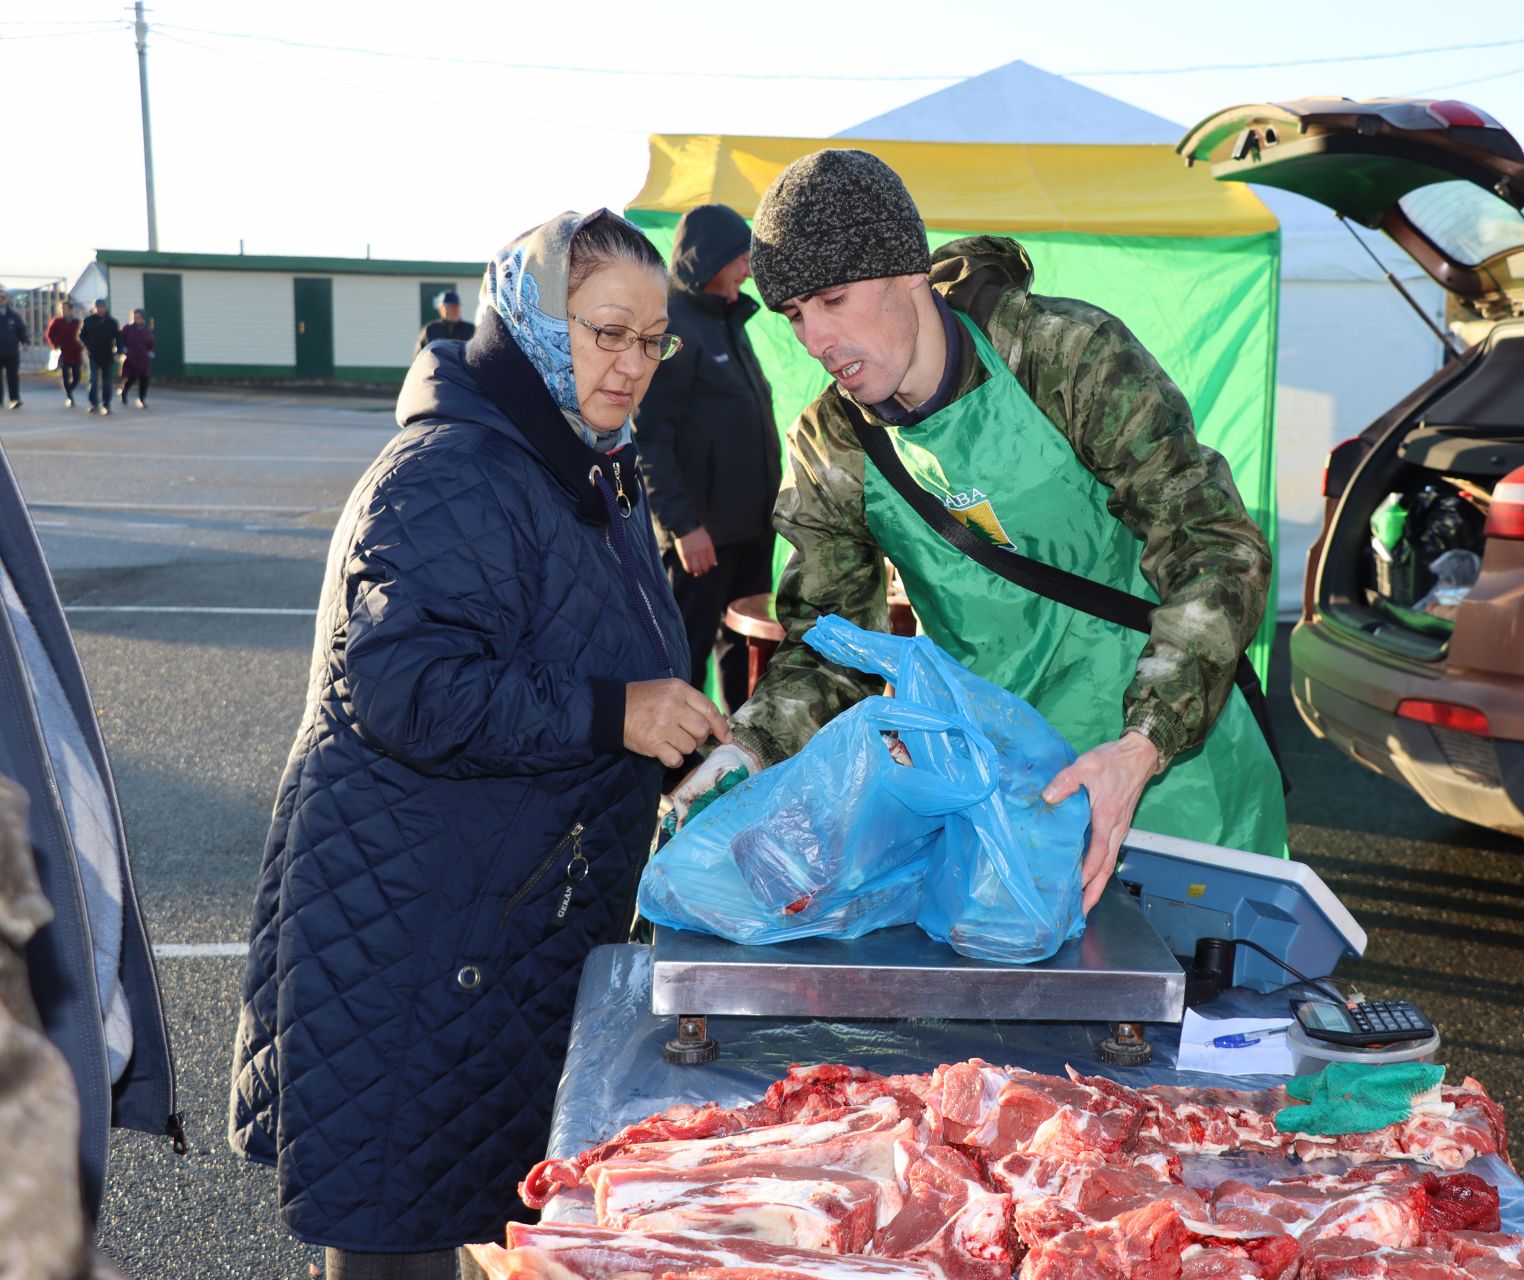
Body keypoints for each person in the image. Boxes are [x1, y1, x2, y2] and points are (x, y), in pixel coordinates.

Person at [230, 209, 719, 1279]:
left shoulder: (585, 459)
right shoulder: (455, 469)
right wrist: (616, 712)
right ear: (537, 321)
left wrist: (675, 730)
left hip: (493, 929)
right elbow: (403, 685)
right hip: (413, 933)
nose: (631, 364)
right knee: (395, 1242)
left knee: (460, 1215)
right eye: (605, 332)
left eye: (651, 340)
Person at [672, 150, 1287, 911]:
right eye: (795, 313)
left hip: (1171, 764)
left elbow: (1213, 546)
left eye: (834, 299)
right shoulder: (831, 444)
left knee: (1210, 1009)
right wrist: (748, 744)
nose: (816, 339)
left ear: (907, 271)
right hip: (1005, 796)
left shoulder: (1064, 357)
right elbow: (829, 649)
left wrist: (1145, 743)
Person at [634, 204, 780, 719]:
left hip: (750, 531)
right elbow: (649, 437)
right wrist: (683, 526)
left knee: (746, 655)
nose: (747, 268)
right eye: (740, 256)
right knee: (684, 658)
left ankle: (739, 756)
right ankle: (675, 777)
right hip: (702, 538)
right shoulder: (678, 329)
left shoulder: (731, 323)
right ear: (712, 260)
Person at [80, 300, 119, 417]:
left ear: (106, 308)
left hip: (107, 355)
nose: (100, 309)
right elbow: (82, 336)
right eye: (98, 307)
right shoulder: (88, 321)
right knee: (93, 379)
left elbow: (118, 337)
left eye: (102, 307)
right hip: (93, 355)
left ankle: (106, 404)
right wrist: (88, 346)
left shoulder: (112, 322)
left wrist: (119, 350)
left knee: (107, 381)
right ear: (94, 308)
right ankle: (93, 404)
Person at [46, 300, 84, 409]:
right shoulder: (57, 322)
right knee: (65, 376)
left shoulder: (77, 322)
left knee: (77, 377)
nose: (63, 311)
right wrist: (55, 346)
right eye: (61, 309)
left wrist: (81, 346)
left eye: (65, 309)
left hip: (75, 353)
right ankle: (69, 397)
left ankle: (70, 389)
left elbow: (83, 335)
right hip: (63, 353)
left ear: (71, 310)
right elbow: (49, 335)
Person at [415, 288, 476, 353]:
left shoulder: (471, 329)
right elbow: (419, 355)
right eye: (450, 307)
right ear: (441, 309)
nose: (455, 310)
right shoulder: (430, 330)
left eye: (456, 306)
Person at [117, 309, 154, 409]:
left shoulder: (146, 329)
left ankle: (141, 399)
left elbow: (151, 342)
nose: (136, 319)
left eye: (138, 317)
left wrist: (150, 351)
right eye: (135, 317)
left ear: (142, 318)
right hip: (131, 357)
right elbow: (120, 339)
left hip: (143, 358)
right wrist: (121, 349)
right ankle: (124, 392)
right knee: (131, 378)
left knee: (144, 378)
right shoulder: (127, 328)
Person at [0, 290, 27, 410]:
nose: (1, 299)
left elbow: (21, 330)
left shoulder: (14, 316)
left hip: (11, 351)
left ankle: (14, 399)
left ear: (7, 299)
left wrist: (25, 342)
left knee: (13, 375)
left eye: (3, 297)